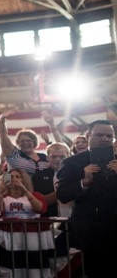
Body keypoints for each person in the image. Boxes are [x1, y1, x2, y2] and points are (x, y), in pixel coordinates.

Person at [56, 119, 117, 278]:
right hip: (90, 234)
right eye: (100, 135)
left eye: (109, 136)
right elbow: (62, 195)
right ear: (88, 136)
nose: (105, 139)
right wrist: (83, 182)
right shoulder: (72, 162)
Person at [0, 168, 52, 277]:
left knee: (33, 264)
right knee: (12, 263)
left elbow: (40, 209)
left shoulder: (35, 195)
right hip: (10, 236)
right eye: (11, 177)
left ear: (24, 179)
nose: (14, 179)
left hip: (32, 236)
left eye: (18, 176)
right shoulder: (3, 197)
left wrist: (25, 190)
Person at [0, 108, 49, 176]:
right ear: (18, 143)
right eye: (22, 141)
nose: (25, 143)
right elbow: (4, 138)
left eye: (28, 140)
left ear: (34, 142)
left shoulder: (44, 157)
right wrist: (2, 120)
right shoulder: (14, 155)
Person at [31, 142, 70, 217]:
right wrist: (64, 190)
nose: (58, 159)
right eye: (53, 157)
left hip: (73, 220)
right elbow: (40, 201)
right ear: (47, 158)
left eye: (62, 157)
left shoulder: (76, 175)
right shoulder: (38, 176)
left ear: (68, 157)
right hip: (49, 220)